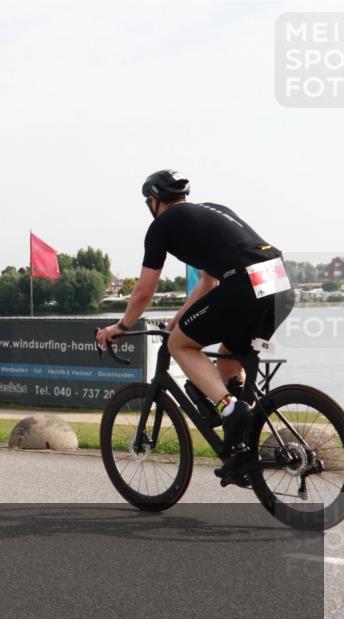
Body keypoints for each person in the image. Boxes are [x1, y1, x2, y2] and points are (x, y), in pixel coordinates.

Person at [96, 170, 295, 485]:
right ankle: (243, 450)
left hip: (244, 283)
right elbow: (208, 281)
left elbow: (144, 291)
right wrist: (177, 320)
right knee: (231, 354)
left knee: (179, 345)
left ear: (154, 200)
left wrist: (121, 326)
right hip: (277, 280)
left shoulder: (161, 226)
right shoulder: (212, 210)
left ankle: (230, 410)